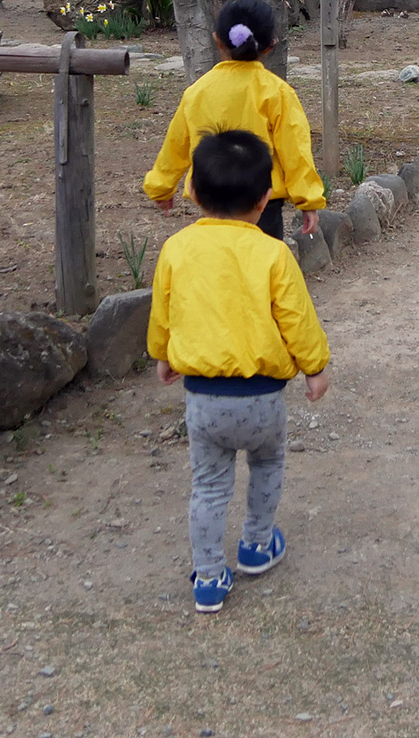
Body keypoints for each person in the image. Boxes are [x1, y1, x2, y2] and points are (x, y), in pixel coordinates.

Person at [148, 129, 331, 613]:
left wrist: (163, 353)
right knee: (267, 463)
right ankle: (256, 543)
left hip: (204, 400)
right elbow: (297, 316)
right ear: (265, 198)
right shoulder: (273, 253)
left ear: (190, 192)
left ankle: (208, 576)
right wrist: (315, 367)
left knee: (208, 484)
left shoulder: (177, 250)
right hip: (263, 398)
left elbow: (164, 311)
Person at [143, 0, 325, 241]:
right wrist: (308, 200)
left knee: (218, 262)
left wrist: (161, 186)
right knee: (262, 265)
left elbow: (177, 144)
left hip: (211, 198)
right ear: (271, 44)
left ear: (217, 39)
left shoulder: (197, 92)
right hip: (262, 203)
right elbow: (296, 149)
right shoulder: (277, 92)